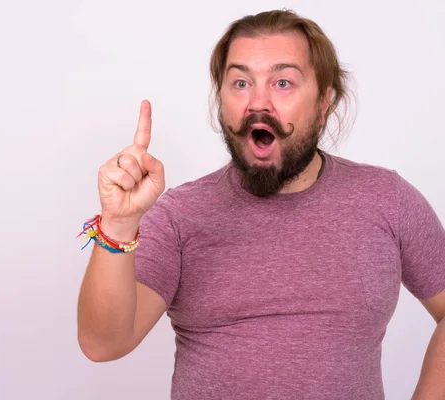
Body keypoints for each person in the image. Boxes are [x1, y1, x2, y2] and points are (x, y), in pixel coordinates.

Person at [76, 9, 445, 400]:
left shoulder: (387, 200)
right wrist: (117, 224)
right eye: (240, 83)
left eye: (283, 82)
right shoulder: (181, 215)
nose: (257, 102)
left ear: (324, 102)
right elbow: (103, 344)